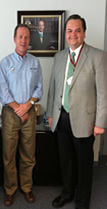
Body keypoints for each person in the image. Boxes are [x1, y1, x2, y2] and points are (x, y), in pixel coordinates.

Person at [46, 14, 107, 209]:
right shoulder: (59, 56)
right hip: (61, 117)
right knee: (66, 161)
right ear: (65, 34)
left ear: (84, 33)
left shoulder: (98, 56)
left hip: (85, 120)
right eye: (70, 31)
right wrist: (50, 114)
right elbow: (53, 88)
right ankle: (67, 193)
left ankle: (82, 201)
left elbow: (103, 93)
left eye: (77, 30)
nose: (73, 34)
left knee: (84, 164)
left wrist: (100, 122)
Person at [0, 24, 43, 207]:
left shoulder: (35, 63)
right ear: (14, 39)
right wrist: (18, 108)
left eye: (26, 37)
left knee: (28, 154)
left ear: (29, 40)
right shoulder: (5, 62)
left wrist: (27, 106)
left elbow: (39, 88)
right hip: (10, 113)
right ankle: (10, 189)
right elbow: (3, 90)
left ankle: (26, 187)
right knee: (9, 154)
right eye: (20, 37)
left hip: (29, 112)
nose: (23, 40)